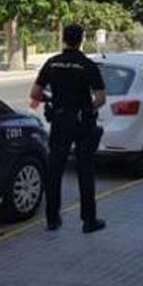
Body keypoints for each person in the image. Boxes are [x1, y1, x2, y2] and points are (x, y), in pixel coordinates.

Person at [30, 24, 107, 234]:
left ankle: (52, 219)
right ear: (82, 40)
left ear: (63, 39)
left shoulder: (52, 63)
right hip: (82, 123)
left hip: (60, 121)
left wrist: (52, 101)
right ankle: (88, 221)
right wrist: (86, 107)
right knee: (85, 171)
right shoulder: (88, 65)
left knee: (55, 170)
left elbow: (35, 93)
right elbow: (100, 99)